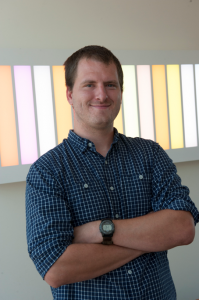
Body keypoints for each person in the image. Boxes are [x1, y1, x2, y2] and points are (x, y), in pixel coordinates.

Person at [26, 45, 199, 300]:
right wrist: (150, 238)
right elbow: (56, 268)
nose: (101, 94)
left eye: (110, 84)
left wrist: (100, 230)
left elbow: (183, 228)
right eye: (89, 85)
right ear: (70, 94)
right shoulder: (47, 172)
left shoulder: (150, 154)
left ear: (120, 92)